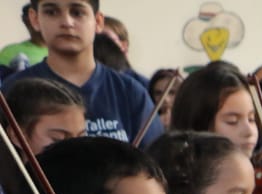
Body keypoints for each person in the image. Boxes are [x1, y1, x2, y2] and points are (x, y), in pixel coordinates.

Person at [3, 0, 160, 147]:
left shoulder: (131, 92)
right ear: (35, 19)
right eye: (51, 12)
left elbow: (154, 161)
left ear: (98, 21)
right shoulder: (12, 90)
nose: (66, 22)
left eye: (77, 12)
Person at [0, 3, 47, 71]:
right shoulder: (10, 52)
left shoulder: (60, 50)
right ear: (25, 21)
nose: (34, 22)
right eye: (30, 18)